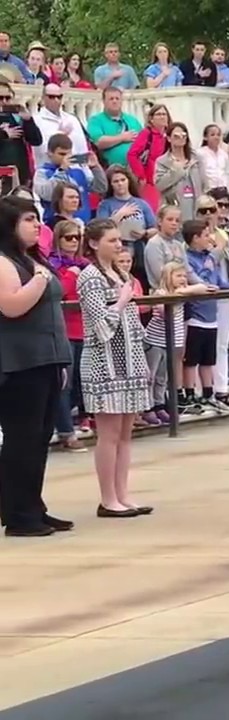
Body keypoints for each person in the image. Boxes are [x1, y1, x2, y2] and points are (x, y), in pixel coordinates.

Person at [0, 195, 75, 537]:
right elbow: (11, 306)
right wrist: (41, 280)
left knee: (40, 437)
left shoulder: (32, 260)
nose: (36, 225)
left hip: (47, 357)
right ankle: (18, 513)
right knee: (22, 438)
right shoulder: (4, 262)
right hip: (20, 363)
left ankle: (34, 505)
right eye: (28, 220)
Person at [77, 219, 154, 517]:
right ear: (95, 243)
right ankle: (108, 498)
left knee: (125, 433)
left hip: (128, 361)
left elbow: (132, 323)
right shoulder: (90, 277)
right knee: (108, 434)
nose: (118, 245)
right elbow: (100, 326)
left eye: (119, 240)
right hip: (103, 364)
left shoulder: (120, 272)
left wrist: (141, 359)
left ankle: (123, 494)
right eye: (111, 240)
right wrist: (122, 301)